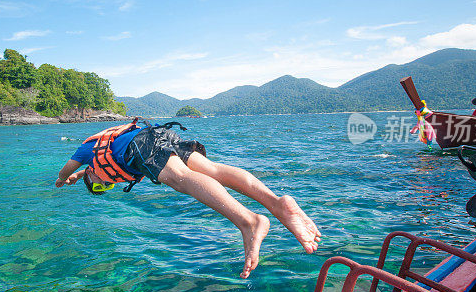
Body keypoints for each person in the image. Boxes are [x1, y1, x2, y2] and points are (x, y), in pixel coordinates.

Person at [54, 118, 321, 278]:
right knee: (215, 170)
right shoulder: (99, 160)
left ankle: (249, 222)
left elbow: (65, 169)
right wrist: (80, 177)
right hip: (160, 135)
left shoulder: (87, 150)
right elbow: (87, 172)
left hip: (145, 145)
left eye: (100, 186)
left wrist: (63, 179)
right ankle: (278, 203)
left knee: (179, 179)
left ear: (92, 170)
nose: (107, 185)